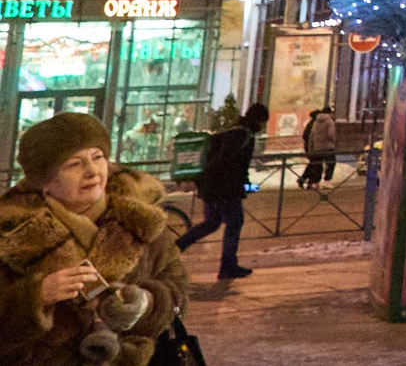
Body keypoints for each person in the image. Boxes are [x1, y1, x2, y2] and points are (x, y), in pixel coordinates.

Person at [0, 111, 187, 366]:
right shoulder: (10, 231)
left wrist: (146, 302)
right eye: (73, 164)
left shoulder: (141, 220)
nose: (91, 171)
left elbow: (177, 288)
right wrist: (36, 297)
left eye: (97, 157)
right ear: (45, 182)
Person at [174, 102, 264, 279]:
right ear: (258, 120)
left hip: (210, 185)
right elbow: (237, 166)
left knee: (212, 222)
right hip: (225, 188)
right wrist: (244, 184)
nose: (262, 126)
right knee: (234, 223)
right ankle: (228, 266)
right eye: (263, 122)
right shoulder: (244, 136)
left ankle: (176, 246)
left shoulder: (231, 131)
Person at [299, 107, 338, 189]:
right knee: (330, 163)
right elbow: (331, 135)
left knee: (315, 165)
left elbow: (310, 135)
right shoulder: (329, 121)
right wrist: (334, 141)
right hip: (327, 146)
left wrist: (311, 146)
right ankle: (325, 181)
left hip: (315, 147)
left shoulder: (316, 121)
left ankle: (311, 182)